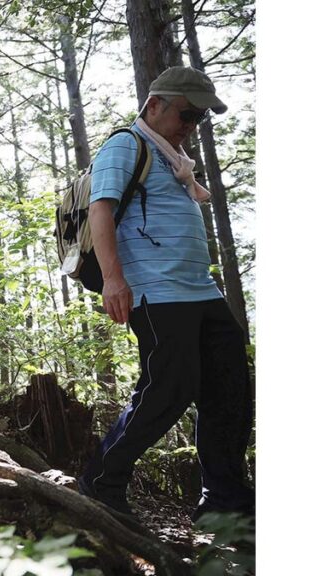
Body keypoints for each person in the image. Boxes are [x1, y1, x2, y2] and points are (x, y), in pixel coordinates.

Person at [77, 66, 254, 522]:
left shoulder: (173, 157)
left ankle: (224, 501)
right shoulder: (124, 145)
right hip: (156, 291)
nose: (192, 126)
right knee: (167, 389)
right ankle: (101, 482)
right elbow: (101, 209)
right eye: (187, 114)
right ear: (154, 105)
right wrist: (114, 280)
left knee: (229, 386)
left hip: (200, 290)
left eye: (200, 118)